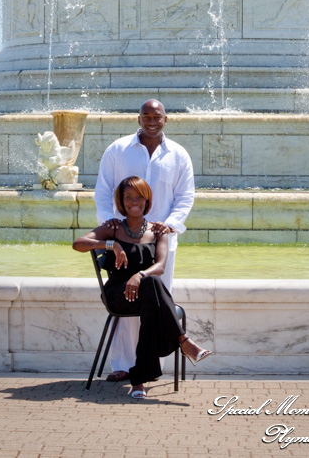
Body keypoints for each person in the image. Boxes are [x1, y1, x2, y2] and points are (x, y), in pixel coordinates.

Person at [73, 176, 210, 398]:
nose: (133, 201)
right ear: (121, 201)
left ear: (147, 200)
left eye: (139, 197)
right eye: (128, 197)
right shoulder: (113, 228)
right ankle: (183, 341)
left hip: (145, 294)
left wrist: (139, 275)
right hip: (118, 295)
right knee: (153, 292)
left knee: (151, 294)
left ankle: (140, 381)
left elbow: (161, 266)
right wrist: (111, 244)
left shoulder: (158, 231)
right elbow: (78, 244)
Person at [93, 98, 195, 381]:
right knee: (127, 301)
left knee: (155, 302)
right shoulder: (118, 149)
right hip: (124, 241)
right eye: (146, 116)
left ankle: (148, 365)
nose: (152, 120)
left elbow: (185, 196)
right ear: (138, 119)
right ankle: (123, 365)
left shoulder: (178, 154)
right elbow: (103, 191)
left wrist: (170, 225)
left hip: (161, 242)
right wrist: (108, 225)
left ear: (166, 120)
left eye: (157, 116)